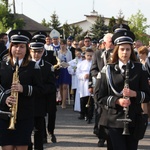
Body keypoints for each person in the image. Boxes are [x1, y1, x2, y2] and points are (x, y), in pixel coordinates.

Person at [97, 30, 150, 150]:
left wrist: (134, 93)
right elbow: (99, 96)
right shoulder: (108, 70)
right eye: (122, 49)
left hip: (133, 119)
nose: (125, 52)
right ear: (117, 50)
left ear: (132, 51)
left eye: (128, 49)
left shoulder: (139, 69)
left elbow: (147, 95)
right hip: (113, 120)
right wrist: (117, 101)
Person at [0, 29, 43, 150]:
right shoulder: (2, 65)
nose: (18, 49)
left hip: (25, 115)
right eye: (15, 46)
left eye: (22, 47)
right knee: (6, 147)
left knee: (21, 147)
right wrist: (4, 98)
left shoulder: (33, 67)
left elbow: (40, 89)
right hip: (4, 114)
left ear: (27, 48)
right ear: (10, 47)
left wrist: (23, 88)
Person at [29, 36, 56, 149]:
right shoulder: (25, 65)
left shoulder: (48, 67)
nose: (36, 54)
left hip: (40, 102)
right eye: (34, 51)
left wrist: (39, 90)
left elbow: (51, 86)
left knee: (39, 131)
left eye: (39, 52)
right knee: (26, 131)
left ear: (43, 51)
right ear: (30, 51)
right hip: (27, 102)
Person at [90, 33, 114, 147]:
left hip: (113, 88)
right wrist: (101, 76)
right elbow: (93, 70)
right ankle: (101, 137)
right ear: (104, 43)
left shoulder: (116, 53)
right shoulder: (97, 53)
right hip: (101, 87)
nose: (113, 44)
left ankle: (111, 136)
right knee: (99, 112)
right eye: (111, 42)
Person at [76, 48, 94, 124]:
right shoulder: (81, 64)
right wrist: (83, 76)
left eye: (91, 55)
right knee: (83, 100)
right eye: (88, 55)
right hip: (83, 84)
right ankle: (83, 113)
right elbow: (77, 73)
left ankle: (90, 116)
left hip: (92, 83)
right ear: (85, 56)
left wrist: (91, 76)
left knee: (91, 101)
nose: (89, 57)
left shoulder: (94, 63)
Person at [57, 39, 72, 108]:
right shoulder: (58, 52)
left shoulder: (69, 52)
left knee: (65, 86)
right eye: (61, 44)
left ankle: (64, 103)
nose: (62, 46)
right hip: (60, 69)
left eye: (64, 44)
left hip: (66, 69)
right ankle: (62, 99)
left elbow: (70, 62)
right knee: (60, 86)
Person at [137, 46, 150, 122]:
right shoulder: (140, 62)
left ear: (144, 53)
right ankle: (145, 117)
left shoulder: (149, 61)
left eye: (140, 53)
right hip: (143, 84)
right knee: (144, 101)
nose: (139, 55)